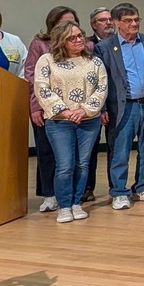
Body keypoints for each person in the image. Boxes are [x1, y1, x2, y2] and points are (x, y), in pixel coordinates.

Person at [33, 21, 107, 223]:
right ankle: (64, 206)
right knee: (65, 164)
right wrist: (65, 111)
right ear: (61, 41)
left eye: (80, 35)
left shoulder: (94, 62)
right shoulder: (46, 61)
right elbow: (42, 89)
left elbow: (101, 89)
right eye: (72, 37)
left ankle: (76, 203)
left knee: (82, 164)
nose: (79, 40)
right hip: (59, 121)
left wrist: (84, 110)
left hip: (88, 120)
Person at [94, 3, 144, 210]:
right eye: (128, 20)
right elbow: (100, 80)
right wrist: (103, 108)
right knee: (120, 151)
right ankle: (119, 192)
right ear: (116, 23)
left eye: (136, 19)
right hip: (123, 108)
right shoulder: (105, 47)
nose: (134, 24)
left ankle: (142, 187)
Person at [25, 6, 83, 212]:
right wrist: (34, 106)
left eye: (72, 23)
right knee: (47, 151)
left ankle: (71, 195)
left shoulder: (81, 47)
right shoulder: (40, 44)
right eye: (62, 23)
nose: (68, 27)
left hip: (75, 109)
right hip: (46, 108)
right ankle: (50, 195)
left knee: (73, 156)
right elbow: (32, 78)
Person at [83, 6, 116, 202]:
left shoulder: (119, 43)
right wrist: (100, 107)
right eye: (103, 20)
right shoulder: (86, 45)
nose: (108, 22)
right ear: (94, 25)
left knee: (115, 147)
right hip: (93, 105)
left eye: (110, 19)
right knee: (90, 149)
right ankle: (87, 188)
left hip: (117, 102)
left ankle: (116, 187)